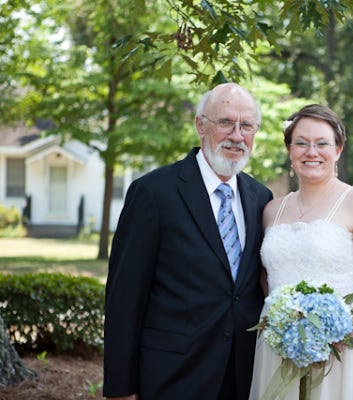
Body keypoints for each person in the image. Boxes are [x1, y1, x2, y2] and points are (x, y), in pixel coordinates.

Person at [103, 83, 273, 400]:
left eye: (246, 125)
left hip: (244, 375)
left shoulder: (261, 198)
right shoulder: (153, 193)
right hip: (172, 375)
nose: (237, 135)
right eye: (226, 123)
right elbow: (124, 298)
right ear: (200, 125)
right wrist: (120, 387)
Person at [249, 104, 353, 399]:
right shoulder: (271, 210)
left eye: (322, 143)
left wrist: (332, 341)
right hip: (277, 349)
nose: (310, 152)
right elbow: (267, 281)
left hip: (339, 354)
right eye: (301, 143)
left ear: (338, 149)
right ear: (289, 151)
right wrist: (283, 327)